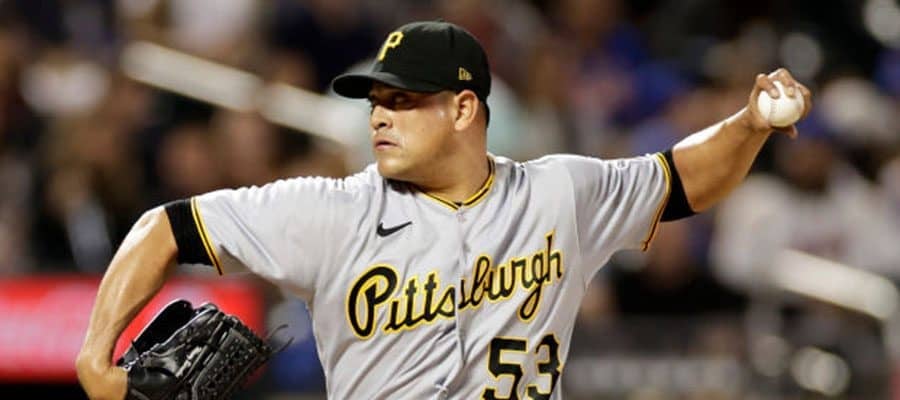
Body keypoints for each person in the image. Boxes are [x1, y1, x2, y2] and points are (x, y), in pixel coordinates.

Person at [76, 20, 812, 400]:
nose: (379, 116)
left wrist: (749, 124)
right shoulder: (330, 210)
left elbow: (681, 179)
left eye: (403, 100)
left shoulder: (559, 192)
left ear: (463, 108)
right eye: (375, 101)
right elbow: (163, 228)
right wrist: (94, 355)